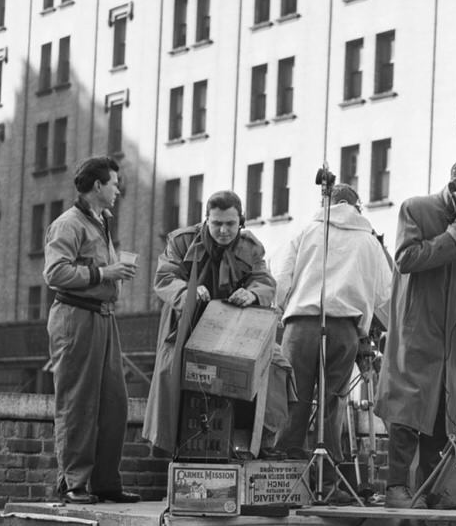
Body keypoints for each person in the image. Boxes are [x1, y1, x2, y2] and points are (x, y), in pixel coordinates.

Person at [375, 157, 456, 508]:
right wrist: (451, 237)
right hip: (418, 329)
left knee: (442, 413)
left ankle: (432, 488)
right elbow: (406, 259)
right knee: (408, 408)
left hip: (454, 335)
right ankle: (396, 489)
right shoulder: (416, 209)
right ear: (454, 186)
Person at [142, 190, 277, 456]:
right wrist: (187, 292)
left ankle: (248, 448)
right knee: (172, 377)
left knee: (273, 370)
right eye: (216, 224)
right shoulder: (182, 241)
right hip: (186, 325)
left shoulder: (251, 247)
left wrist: (252, 294)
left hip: (233, 331)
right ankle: (171, 452)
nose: (223, 230)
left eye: (230, 223)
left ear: (242, 221)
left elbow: (265, 281)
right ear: (206, 221)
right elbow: (165, 278)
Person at [271, 183, 392, 463]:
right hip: (344, 327)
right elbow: (385, 291)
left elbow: (280, 273)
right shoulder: (369, 240)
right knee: (333, 400)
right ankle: (328, 472)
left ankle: (287, 464)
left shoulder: (306, 231)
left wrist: (278, 306)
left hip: (301, 324)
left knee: (294, 395)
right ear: (356, 206)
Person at [43, 155, 138, 504]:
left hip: (103, 316)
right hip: (75, 317)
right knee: (78, 401)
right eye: (113, 183)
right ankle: (74, 483)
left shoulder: (100, 222)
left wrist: (111, 273)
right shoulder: (68, 224)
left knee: (115, 403)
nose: (118, 189)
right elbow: (54, 274)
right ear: (97, 186)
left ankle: (105, 481)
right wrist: (104, 274)